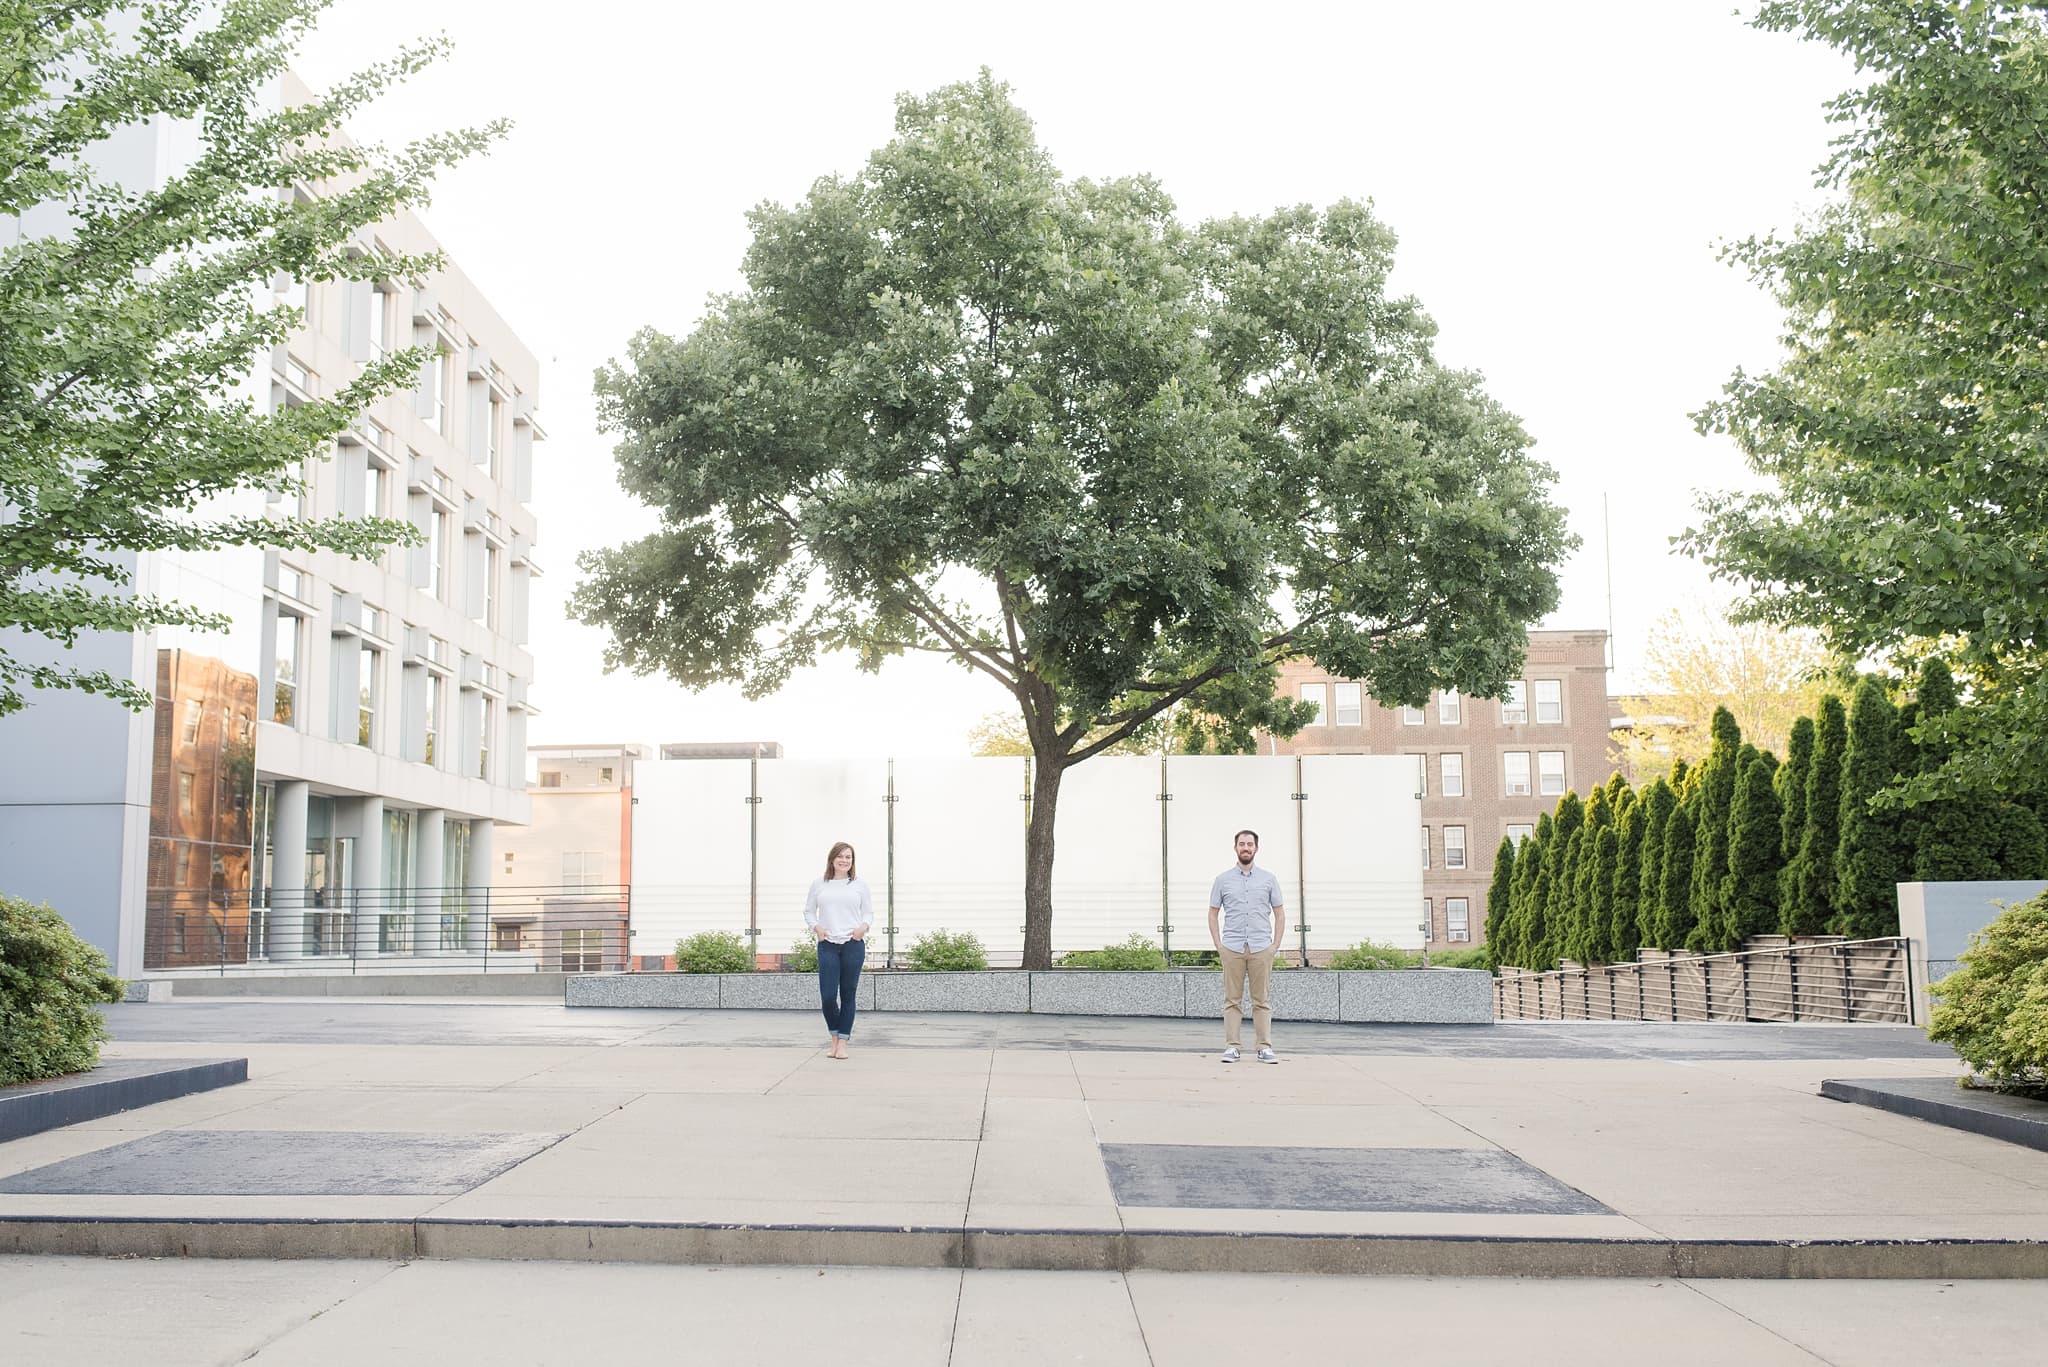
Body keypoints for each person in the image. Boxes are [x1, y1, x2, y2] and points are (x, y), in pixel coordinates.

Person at [1208, 828, 1285, 1064]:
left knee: (1261, 1000)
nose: (1246, 848)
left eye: (1250, 844)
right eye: (1242, 844)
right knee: (1232, 1000)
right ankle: (1232, 1046)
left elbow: (1279, 914)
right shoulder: (1222, 880)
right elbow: (1213, 914)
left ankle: (1264, 1047)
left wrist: (1274, 946)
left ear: (1256, 848)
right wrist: (1219, 945)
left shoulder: (1269, 879)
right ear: (1235, 848)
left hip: (1261, 947)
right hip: (1232, 948)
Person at [804, 840, 872, 1060]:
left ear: (852, 861)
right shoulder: (819, 884)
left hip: (853, 944)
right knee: (828, 996)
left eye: (848, 857)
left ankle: (842, 1043)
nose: (844, 860)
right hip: (828, 945)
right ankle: (834, 1036)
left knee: (848, 994)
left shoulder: (859, 885)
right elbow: (809, 911)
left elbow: (868, 914)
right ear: (832, 859)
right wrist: (817, 928)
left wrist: (862, 928)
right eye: (840, 856)